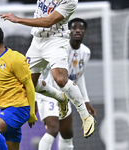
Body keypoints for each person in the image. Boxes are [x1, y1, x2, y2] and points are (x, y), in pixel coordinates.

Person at [0, 0, 95, 138]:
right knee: (26, 83)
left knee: (60, 79)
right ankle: (60, 98)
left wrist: (18, 19)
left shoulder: (71, 1)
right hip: (37, 40)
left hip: (56, 40)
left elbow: (48, 21)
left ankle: (86, 117)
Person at [36, 18, 96, 150]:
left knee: (67, 134)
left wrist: (85, 101)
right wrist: (33, 97)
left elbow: (79, 77)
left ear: (85, 31)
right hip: (48, 95)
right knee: (53, 128)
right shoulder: (58, 49)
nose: (77, 30)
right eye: (74, 28)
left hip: (65, 98)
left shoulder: (86, 52)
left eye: (81, 28)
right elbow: (41, 71)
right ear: (68, 31)